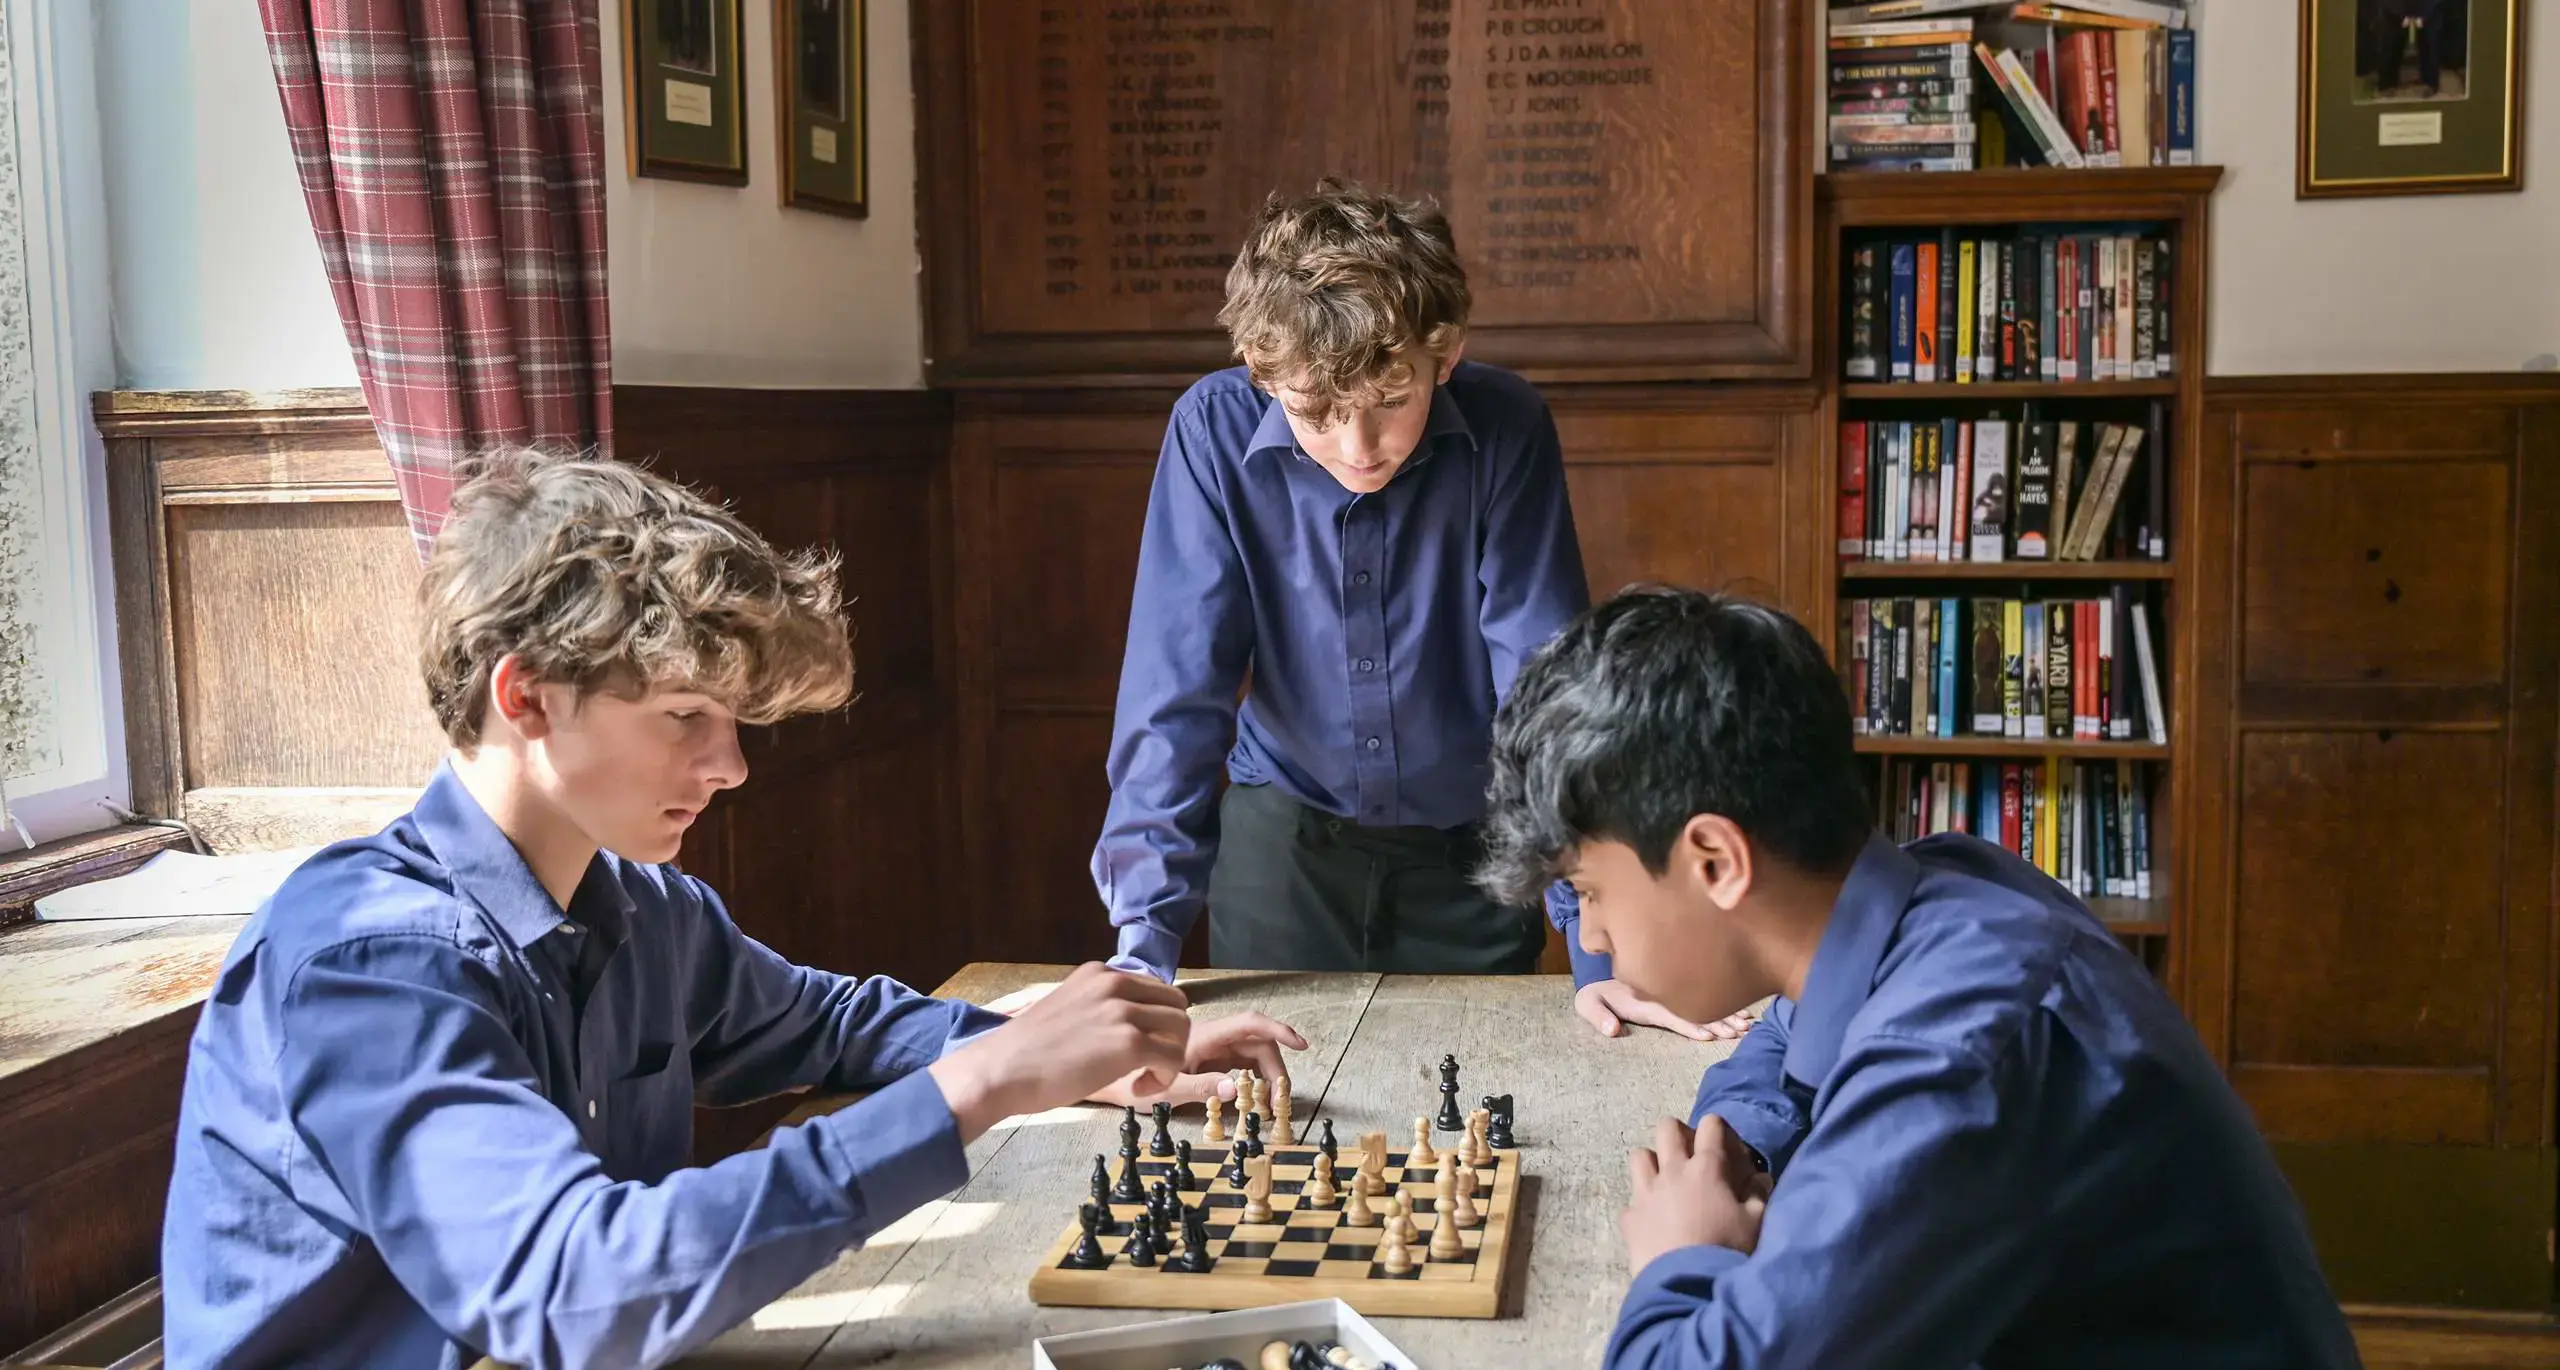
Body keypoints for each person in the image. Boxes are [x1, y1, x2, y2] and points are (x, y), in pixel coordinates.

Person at [160, 449, 1304, 1370]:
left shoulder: (647, 911)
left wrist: (1078, 1048)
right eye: (684, 713)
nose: (732, 764)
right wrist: (987, 1082)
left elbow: (839, 1024)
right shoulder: (369, 965)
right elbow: (575, 1288)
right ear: (526, 696)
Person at [1474, 586, 2361, 1369]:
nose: (1586, 933)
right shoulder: (1939, 887)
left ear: (1714, 859)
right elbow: (1790, 1027)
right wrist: (1734, 1146)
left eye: (1588, 891)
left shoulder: (1963, 1055)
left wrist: (1679, 1254)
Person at [1089, 180, 1744, 1042]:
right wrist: (1144, 945)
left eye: (1391, 402)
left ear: (1449, 351)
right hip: (1283, 849)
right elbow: (1176, 695)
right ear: (1262, 371)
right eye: (1316, 413)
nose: (1359, 448)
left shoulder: (1508, 426)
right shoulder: (1210, 430)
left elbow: (1542, 688)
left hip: (1475, 853)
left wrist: (1600, 950)